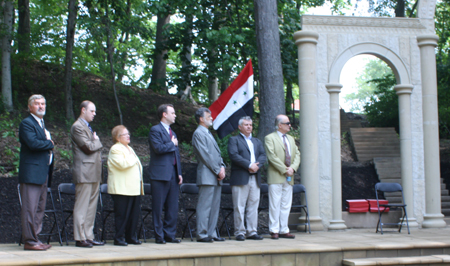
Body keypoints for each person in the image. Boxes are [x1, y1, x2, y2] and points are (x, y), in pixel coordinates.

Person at [18, 94, 54, 251]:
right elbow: (33, 143)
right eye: (37, 104)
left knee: (40, 208)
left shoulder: (41, 124)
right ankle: (30, 241)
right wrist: (49, 143)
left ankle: (35, 238)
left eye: (43, 104)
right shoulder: (27, 123)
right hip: (31, 173)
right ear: (30, 106)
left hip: (42, 172)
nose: (41, 106)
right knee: (30, 208)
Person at [71, 100, 104, 248]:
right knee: (82, 206)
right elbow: (88, 148)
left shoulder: (87, 127)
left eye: (95, 111)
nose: (94, 114)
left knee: (91, 207)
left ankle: (88, 236)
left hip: (94, 172)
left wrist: (94, 142)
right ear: (83, 110)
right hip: (84, 172)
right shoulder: (77, 126)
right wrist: (97, 141)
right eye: (92, 111)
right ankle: (80, 237)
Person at [148, 104, 183, 244]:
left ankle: (170, 234)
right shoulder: (155, 130)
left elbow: (177, 154)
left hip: (173, 174)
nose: (175, 115)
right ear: (164, 114)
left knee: (172, 206)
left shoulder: (172, 133)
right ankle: (159, 236)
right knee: (158, 206)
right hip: (159, 174)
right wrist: (171, 144)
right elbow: (157, 148)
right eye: (173, 113)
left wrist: (179, 172)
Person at [228, 116, 266, 241]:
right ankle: (239, 232)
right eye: (246, 124)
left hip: (255, 177)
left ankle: (252, 231)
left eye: (250, 124)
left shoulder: (257, 141)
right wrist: (249, 165)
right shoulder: (234, 140)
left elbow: (263, 155)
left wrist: (256, 166)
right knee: (239, 206)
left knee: (253, 205)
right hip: (241, 177)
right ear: (240, 127)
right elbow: (233, 155)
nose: (249, 126)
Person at [192, 107, 226, 243]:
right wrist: (218, 170)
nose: (212, 118)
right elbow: (205, 155)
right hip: (207, 175)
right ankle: (202, 233)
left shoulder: (207, 133)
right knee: (205, 206)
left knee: (214, 206)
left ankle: (212, 233)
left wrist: (222, 166)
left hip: (216, 175)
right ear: (201, 119)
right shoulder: (198, 133)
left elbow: (217, 154)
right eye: (209, 116)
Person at [264, 114, 301, 240]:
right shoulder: (270, 138)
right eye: (287, 123)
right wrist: (285, 170)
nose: (290, 125)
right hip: (276, 175)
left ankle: (284, 229)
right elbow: (271, 156)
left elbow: (297, 154)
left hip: (289, 176)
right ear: (280, 125)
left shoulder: (291, 139)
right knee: (275, 203)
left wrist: (293, 168)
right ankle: (274, 230)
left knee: (286, 204)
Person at [107, 125, 144, 246]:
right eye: (125, 134)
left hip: (133, 188)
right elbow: (122, 164)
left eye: (128, 134)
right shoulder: (115, 149)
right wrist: (133, 158)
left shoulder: (129, 148)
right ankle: (119, 238)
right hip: (121, 188)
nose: (128, 136)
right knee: (122, 215)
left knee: (133, 215)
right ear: (118, 137)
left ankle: (131, 236)